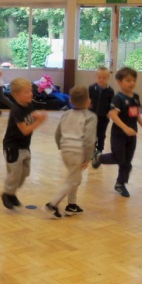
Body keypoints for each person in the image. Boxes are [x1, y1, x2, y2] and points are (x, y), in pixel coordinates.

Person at [92, 67, 142, 197]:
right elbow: (113, 115)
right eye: (128, 80)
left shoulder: (136, 97)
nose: (132, 83)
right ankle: (99, 158)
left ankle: (120, 184)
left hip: (132, 135)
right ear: (119, 81)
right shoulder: (118, 98)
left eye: (134, 80)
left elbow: (135, 112)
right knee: (119, 158)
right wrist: (124, 128)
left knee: (127, 162)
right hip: (119, 135)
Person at [44, 86, 97, 218]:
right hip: (77, 152)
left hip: (65, 150)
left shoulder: (66, 114)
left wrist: (61, 146)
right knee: (74, 180)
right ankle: (52, 204)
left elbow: (57, 133)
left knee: (74, 177)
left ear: (71, 101)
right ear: (88, 101)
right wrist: (88, 157)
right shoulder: (91, 117)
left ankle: (72, 205)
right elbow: (89, 140)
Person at [1, 78, 47, 211]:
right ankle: (7, 194)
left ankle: (11, 192)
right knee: (15, 173)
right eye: (26, 92)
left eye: (30, 91)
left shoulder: (29, 105)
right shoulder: (16, 110)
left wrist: (38, 115)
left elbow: (32, 114)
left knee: (25, 172)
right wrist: (39, 122)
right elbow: (25, 130)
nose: (30, 94)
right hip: (12, 147)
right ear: (16, 95)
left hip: (25, 146)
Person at [89, 66, 114, 154]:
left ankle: (99, 149)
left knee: (101, 134)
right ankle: (92, 148)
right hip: (92, 116)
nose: (101, 79)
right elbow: (88, 99)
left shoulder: (110, 91)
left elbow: (112, 103)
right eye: (99, 77)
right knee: (92, 133)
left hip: (104, 117)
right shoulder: (91, 88)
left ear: (108, 78)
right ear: (96, 77)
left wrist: (110, 111)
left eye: (104, 78)